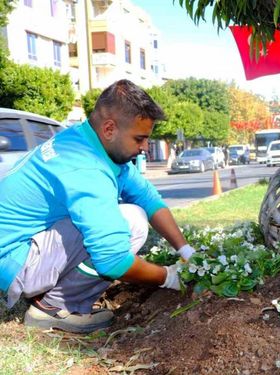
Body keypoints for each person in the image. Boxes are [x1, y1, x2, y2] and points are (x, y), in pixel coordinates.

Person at [0, 79, 195, 333]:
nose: (145, 147)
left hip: (21, 249)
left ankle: (52, 292)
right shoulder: (86, 167)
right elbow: (112, 261)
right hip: (14, 263)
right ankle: (55, 306)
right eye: (140, 138)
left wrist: (186, 250)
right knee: (131, 222)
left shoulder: (87, 141)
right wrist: (168, 277)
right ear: (110, 129)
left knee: (131, 212)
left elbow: (148, 197)